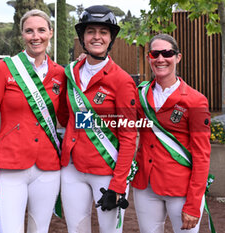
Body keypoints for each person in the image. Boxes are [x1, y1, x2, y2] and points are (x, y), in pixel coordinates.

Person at [0, 9, 68, 233]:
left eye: (41, 30)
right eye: (29, 31)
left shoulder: (61, 74)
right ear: (22, 35)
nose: (35, 36)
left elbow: (66, 118)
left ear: (50, 33)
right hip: (9, 167)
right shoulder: (3, 68)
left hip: (48, 168)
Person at [61, 5, 137, 233]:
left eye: (103, 32)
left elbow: (128, 136)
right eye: (91, 31)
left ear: (111, 38)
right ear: (83, 37)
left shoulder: (122, 81)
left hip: (107, 171)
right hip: (72, 169)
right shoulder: (70, 73)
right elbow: (66, 118)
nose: (97, 37)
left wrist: (118, 184)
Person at [132, 34, 211, 233]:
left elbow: (202, 155)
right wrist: (87, 62)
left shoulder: (196, 100)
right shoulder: (139, 94)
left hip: (181, 189)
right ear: (149, 58)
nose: (160, 59)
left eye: (167, 53)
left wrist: (194, 204)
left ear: (178, 57)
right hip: (145, 187)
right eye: (155, 53)